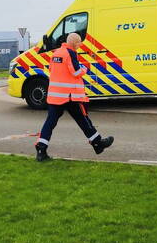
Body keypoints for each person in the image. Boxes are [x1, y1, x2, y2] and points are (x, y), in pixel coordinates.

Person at [34, 32, 114, 162]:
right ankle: (98, 144)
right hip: (70, 96)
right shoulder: (70, 53)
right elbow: (76, 72)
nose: (80, 45)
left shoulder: (56, 53)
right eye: (79, 42)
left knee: (50, 123)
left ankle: (41, 149)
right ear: (74, 43)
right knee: (83, 119)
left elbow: (53, 70)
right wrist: (84, 68)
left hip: (56, 96)